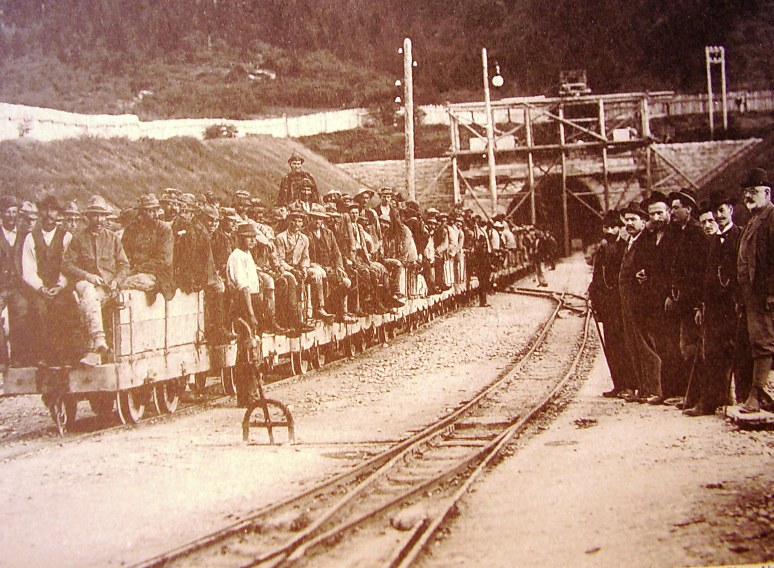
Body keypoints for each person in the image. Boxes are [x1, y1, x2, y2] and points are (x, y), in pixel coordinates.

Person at [685, 190, 741, 415]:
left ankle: (740, 400)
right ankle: (710, 402)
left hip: (734, 306)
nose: (718, 216)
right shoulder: (712, 242)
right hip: (714, 308)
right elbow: (707, 278)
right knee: (713, 354)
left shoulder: (739, 236)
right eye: (715, 211)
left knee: (739, 354)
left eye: (721, 210)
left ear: (730, 210)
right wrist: (701, 305)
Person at [62, 195, 130, 366]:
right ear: (88, 217)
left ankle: (93, 351)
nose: (98, 219)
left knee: (89, 299)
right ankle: (99, 339)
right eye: (94, 215)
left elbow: (124, 265)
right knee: (89, 292)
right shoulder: (79, 238)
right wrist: (87, 275)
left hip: (106, 287)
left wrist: (116, 282)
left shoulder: (113, 238)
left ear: (106, 217)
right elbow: (67, 265)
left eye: (102, 215)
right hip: (83, 283)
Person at [736, 168, 774, 413]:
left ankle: (758, 395)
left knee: (763, 342)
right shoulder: (754, 219)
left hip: (765, 295)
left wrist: (771, 292)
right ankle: (760, 393)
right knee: (758, 341)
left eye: (753, 191)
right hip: (752, 295)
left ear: (767, 192)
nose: (748, 197)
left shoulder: (771, 218)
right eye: (746, 193)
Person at [618, 201, 662, 404]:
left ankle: (654, 389)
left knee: (646, 345)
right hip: (628, 302)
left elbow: (652, 268)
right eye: (627, 220)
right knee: (633, 344)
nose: (629, 223)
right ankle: (642, 389)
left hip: (641, 303)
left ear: (644, 221)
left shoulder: (646, 241)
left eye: (633, 219)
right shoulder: (632, 241)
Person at [20, 194, 73, 365]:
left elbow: (68, 265)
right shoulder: (31, 237)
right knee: (38, 309)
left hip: (60, 288)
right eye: (46, 210)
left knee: (63, 307)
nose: (49, 215)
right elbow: (28, 268)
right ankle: (43, 356)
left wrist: (59, 285)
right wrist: (41, 288)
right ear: (41, 212)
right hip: (40, 289)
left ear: (58, 215)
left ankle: (64, 355)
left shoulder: (66, 237)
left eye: (53, 211)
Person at [589, 210, 632, 398]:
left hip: (620, 303)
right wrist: (592, 297)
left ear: (619, 228)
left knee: (624, 344)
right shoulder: (602, 250)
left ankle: (630, 385)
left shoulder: (625, 247)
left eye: (613, 227)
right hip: (607, 304)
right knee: (612, 345)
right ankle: (618, 384)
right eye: (606, 227)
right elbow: (597, 276)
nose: (609, 230)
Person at [305, 204, 356, 323]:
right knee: (319, 275)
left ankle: (342, 313)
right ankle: (321, 309)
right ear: (310, 218)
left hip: (329, 268)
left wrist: (339, 266)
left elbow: (337, 252)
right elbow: (304, 255)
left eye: (320, 218)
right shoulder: (305, 233)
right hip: (315, 267)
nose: (318, 221)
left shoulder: (328, 233)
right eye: (315, 218)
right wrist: (312, 264)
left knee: (346, 282)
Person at [121, 194, 175, 301]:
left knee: (124, 283)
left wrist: (136, 270)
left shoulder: (164, 230)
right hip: (132, 272)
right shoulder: (131, 229)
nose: (156, 215)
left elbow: (164, 261)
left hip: (158, 276)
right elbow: (122, 254)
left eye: (156, 210)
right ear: (142, 212)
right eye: (151, 211)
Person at [0, 195, 31, 369]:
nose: (11, 216)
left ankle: (19, 358)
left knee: (22, 311)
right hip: (1, 287)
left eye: (14, 212)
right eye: (7, 212)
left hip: (18, 288)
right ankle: (2, 359)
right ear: (1, 214)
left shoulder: (24, 235)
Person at [274, 208, 315, 333]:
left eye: (299, 221)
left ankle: (311, 313)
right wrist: (292, 269)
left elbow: (305, 257)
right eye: (294, 221)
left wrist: (303, 268)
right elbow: (279, 259)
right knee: (290, 279)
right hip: (283, 268)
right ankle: (294, 319)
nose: (296, 224)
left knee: (314, 275)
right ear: (289, 222)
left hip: (298, 268)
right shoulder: (281, 237)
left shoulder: (304, 239)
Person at [470, 215, 493, 307]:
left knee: (486, 279)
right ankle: (482, 300)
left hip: (485, 256)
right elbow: (476, 242)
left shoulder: (482, 230)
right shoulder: (476, 231)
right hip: (480, 258)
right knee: (482, 280)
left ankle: (484, 299)